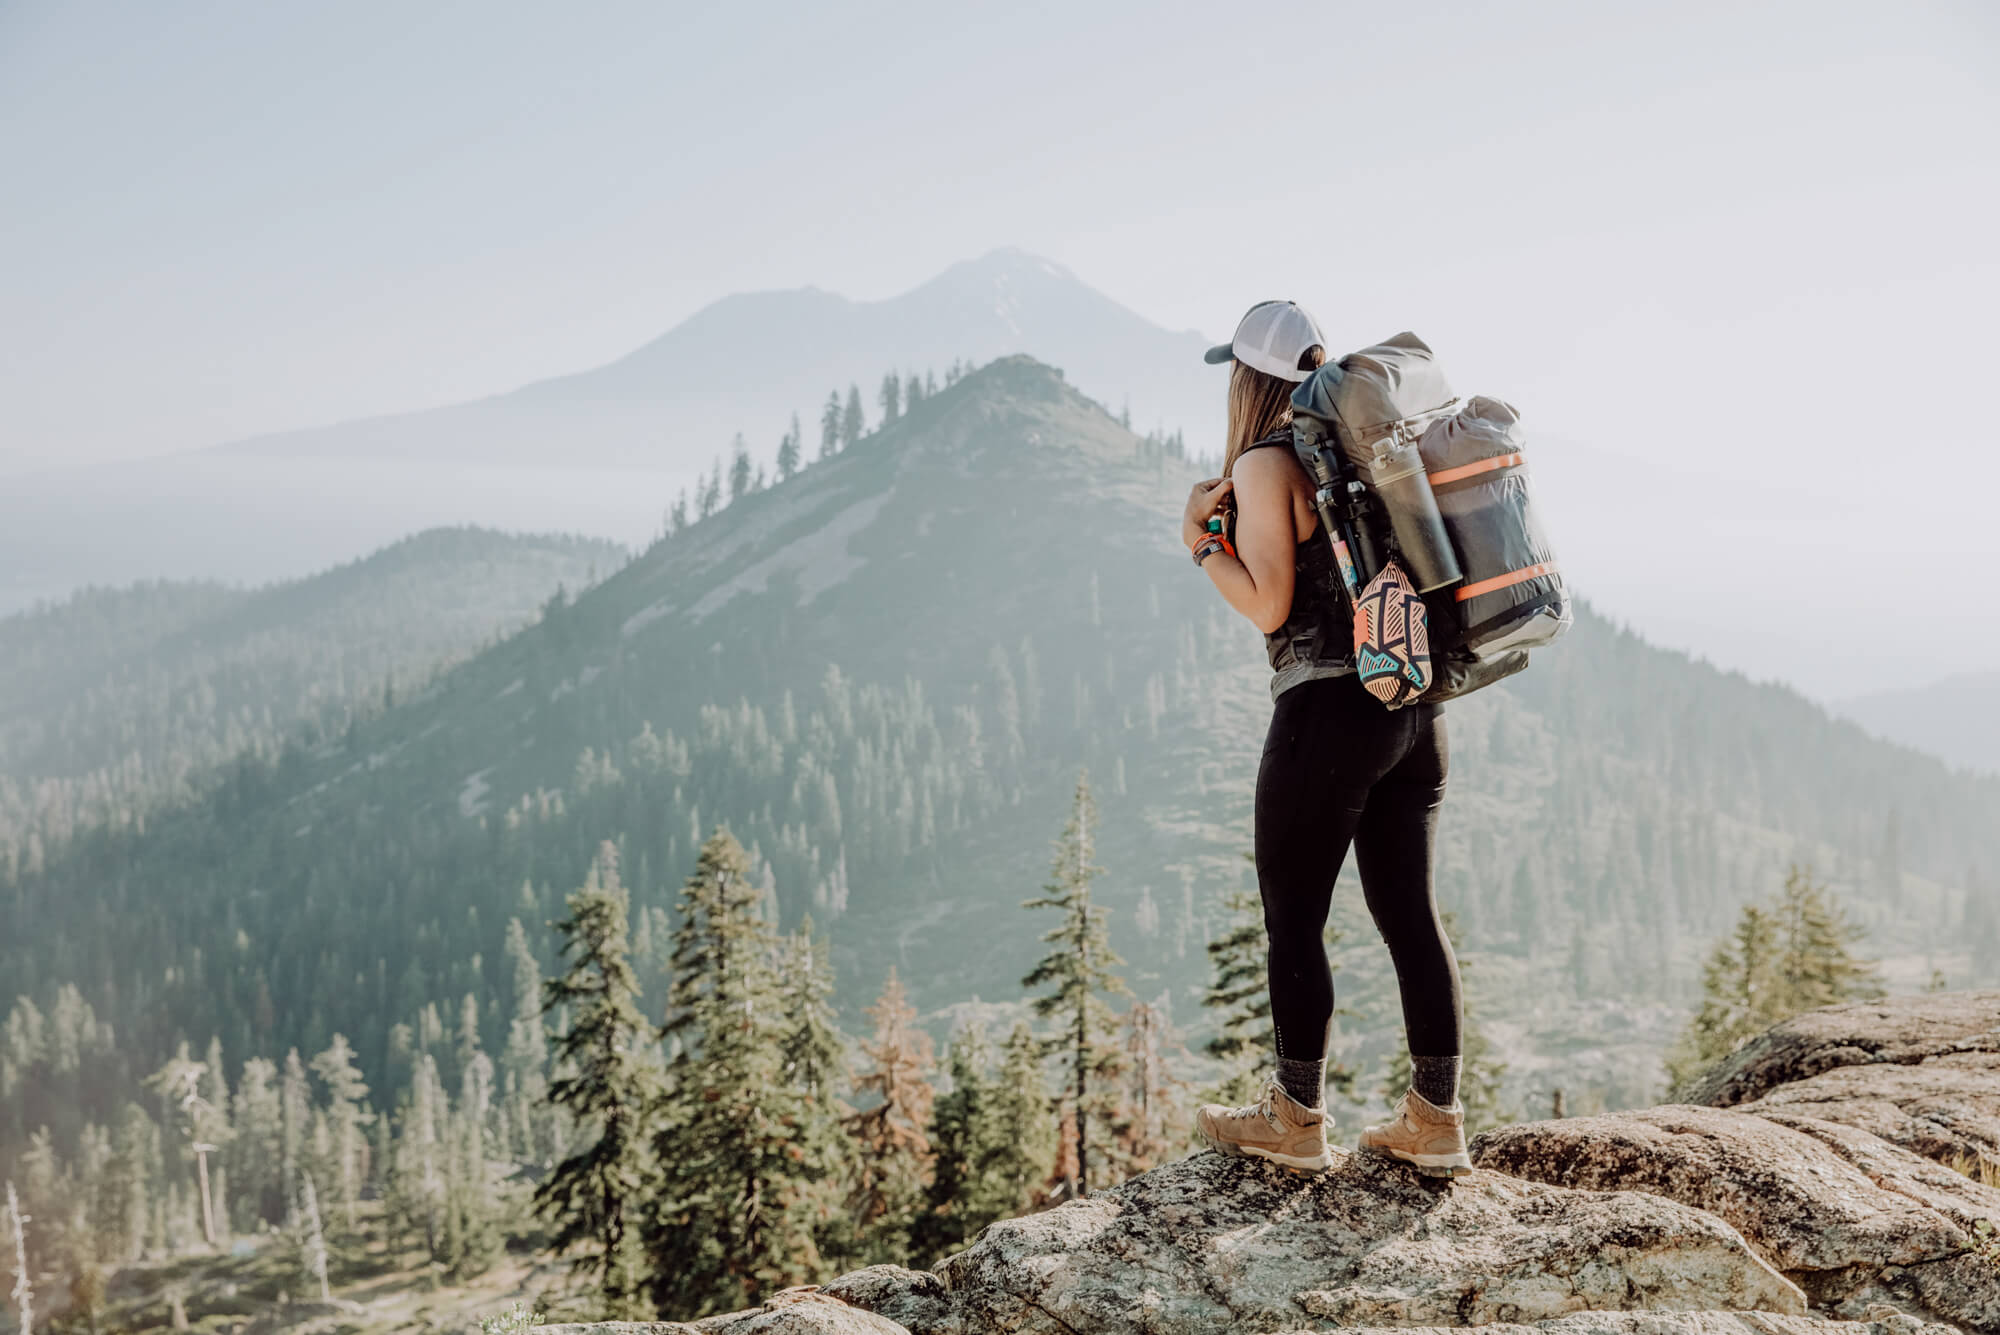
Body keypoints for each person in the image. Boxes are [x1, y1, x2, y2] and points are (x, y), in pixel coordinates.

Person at [1185, 300, 1472, 1178]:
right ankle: (1435, 1117)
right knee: (1410, 915)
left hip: (1327, 712)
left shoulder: (1268, 463)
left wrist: (1201, 544)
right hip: (1414, 705)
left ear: (1248, 378)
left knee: (1294, 918)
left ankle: (1297, 1117)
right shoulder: (1366, 450)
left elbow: (1271, 604)